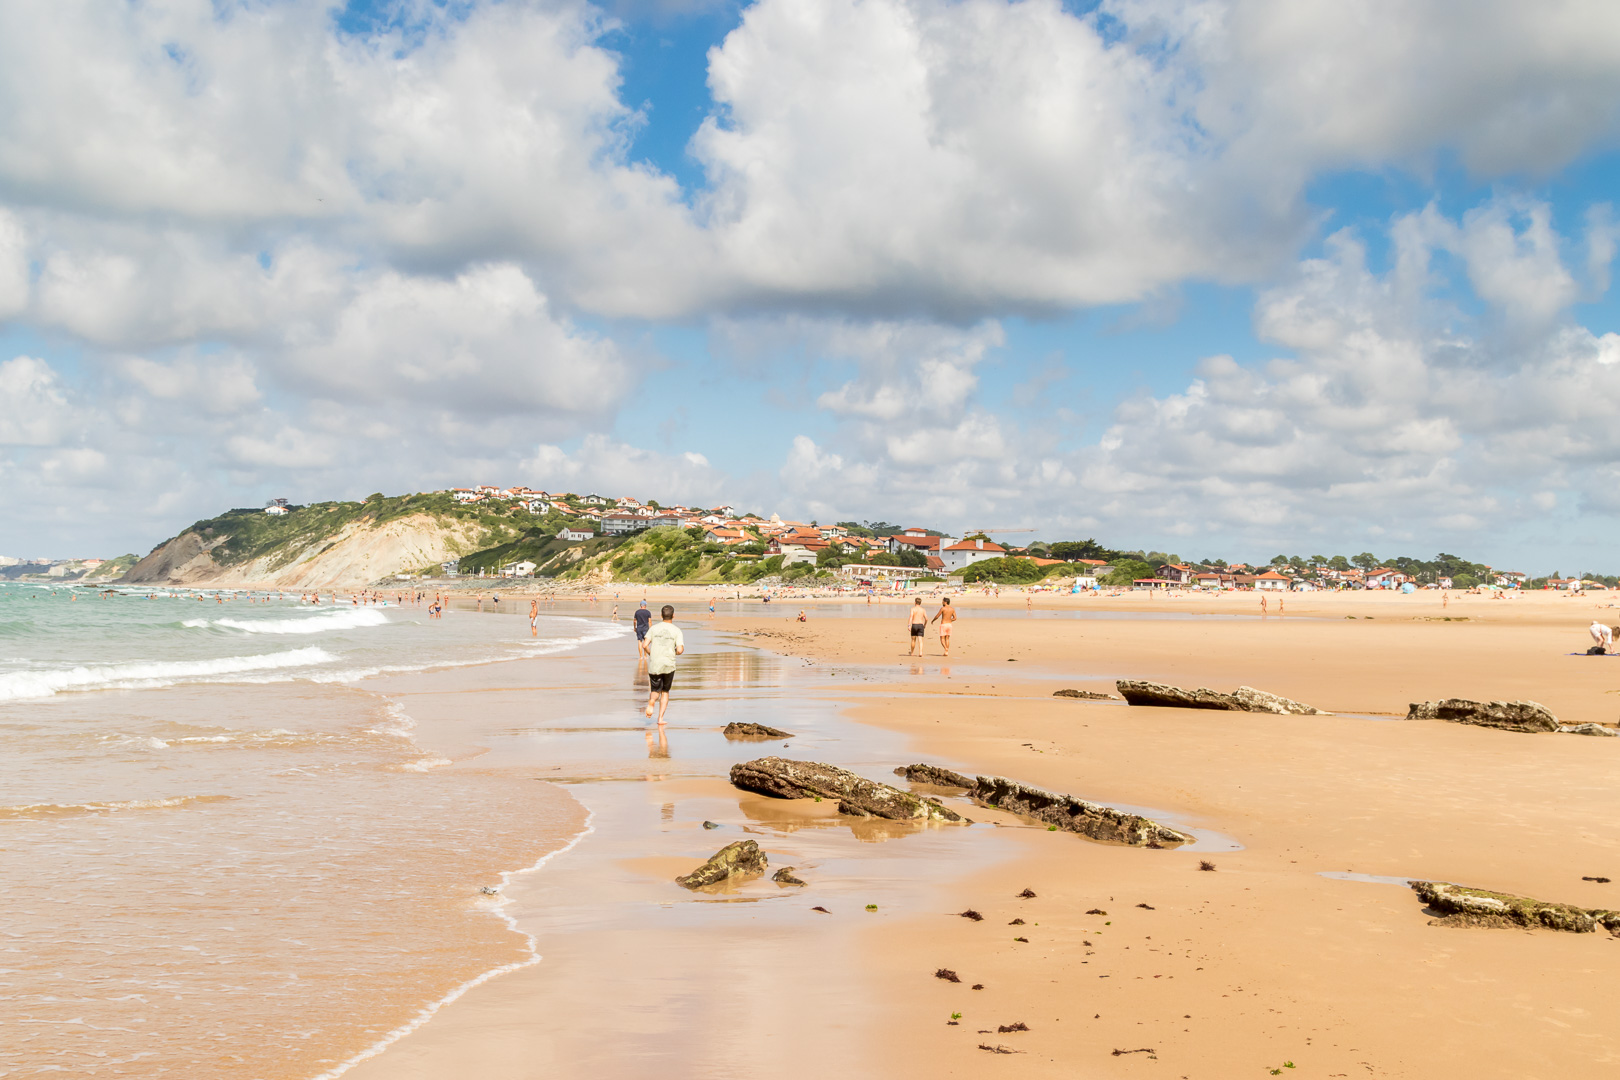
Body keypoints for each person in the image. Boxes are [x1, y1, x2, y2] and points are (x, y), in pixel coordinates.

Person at [644, 605, 685, 724]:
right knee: (665, 691)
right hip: (669, 664)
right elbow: (680, 650)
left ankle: (652, 701)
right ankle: (660, 718)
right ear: (673, 615)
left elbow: (644, 645)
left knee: (655, 690)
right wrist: (675, 652)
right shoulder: (677, 630)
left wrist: (650, 653)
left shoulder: (653, 628)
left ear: (661, 615)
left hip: (655, 663)